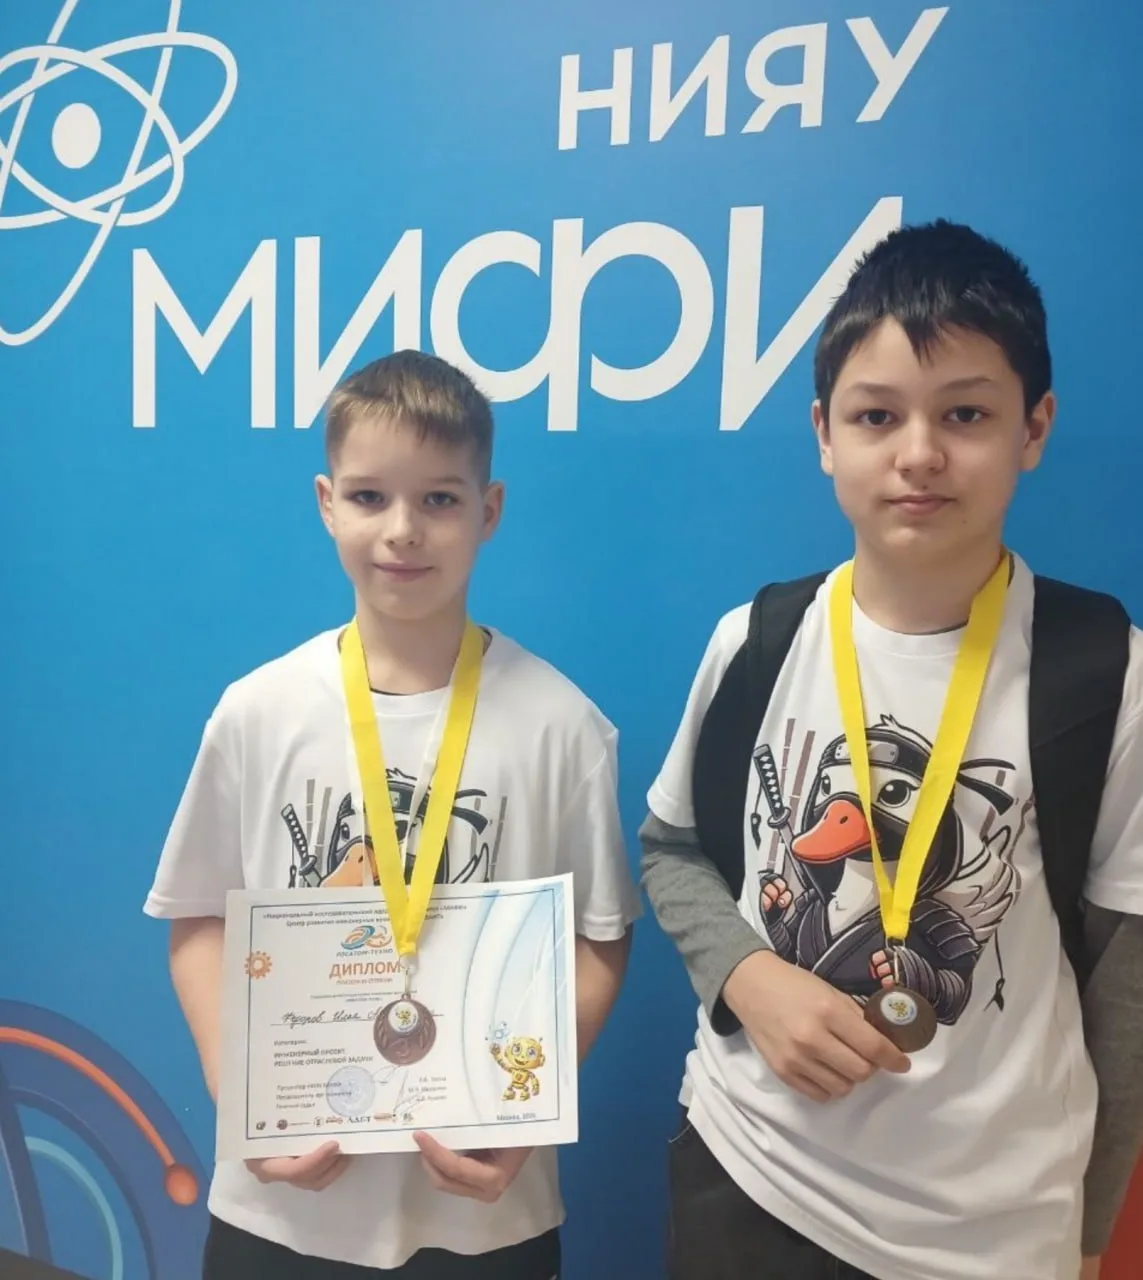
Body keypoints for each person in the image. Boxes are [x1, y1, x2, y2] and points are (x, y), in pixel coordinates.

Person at [640, 221, 1143, 1280]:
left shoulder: (1107, 668)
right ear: (824, 433)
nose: (919, 453)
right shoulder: (757, 640)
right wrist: (746, 977)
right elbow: (671, 847)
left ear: (1034, 426)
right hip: (750, 1175)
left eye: (965, 413)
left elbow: (1126, 984)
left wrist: (1089, 1228)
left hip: (993, 1227)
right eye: (877, 415)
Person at [145, 350, 640, 1279]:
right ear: (326, 502)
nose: (403, 531)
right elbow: (199, 917)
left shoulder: (562, 727)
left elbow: (596, 940)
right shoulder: (257, 713)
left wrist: (524, 1116)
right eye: (370, 497)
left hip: (483, 1212)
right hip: (282, 1207)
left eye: (439, 499)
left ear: (488, 510)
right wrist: (240, 1099)